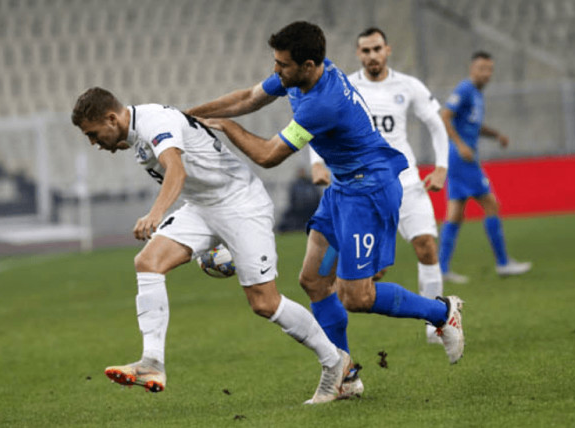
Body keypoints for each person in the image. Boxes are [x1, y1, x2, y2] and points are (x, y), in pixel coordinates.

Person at [187, 21, 465, 400]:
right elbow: (248, 97)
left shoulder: (323, 103)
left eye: (283, 65)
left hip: (370, 192)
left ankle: (442, 311)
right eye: (276, 62)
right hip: (344, 189)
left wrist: (226, 127)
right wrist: (186, 116)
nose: (276, 71)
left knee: (357, 296)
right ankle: (346, 376)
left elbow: (269, 156)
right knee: (314, 281)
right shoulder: (302, 75)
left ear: (307, 64)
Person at [71, 87, 352, 404]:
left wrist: (156, 213)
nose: (94, 143)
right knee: (148, 262)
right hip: (201, 208)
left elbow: (176, 169)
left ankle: (335, 362)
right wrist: (119, 141)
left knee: (264, 303)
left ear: (112, 117)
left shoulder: (153, 122)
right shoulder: (137, 130)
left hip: (241, 204)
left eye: (93, 135)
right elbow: (149, 145)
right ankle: (152, 362)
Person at [308, 27, 449, 344]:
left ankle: (437, 326)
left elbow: (436, 125)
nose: (372, 56)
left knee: (426, 246)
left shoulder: (408, 86)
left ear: (388, 50)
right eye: (365, 50)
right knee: (355, 275)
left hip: (406, 181)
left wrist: (442, 167)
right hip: (361, 189)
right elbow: (318, 123)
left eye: (377, 49)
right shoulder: (344, 86)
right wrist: (315, 162)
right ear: (358, 54)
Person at [439, 51, 532, 284]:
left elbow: (474, 125)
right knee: (491, 204)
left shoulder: (477, 96)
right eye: (482, 68)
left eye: (490, 69)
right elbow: (445, 115)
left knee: (455, 213)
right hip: (462, 158)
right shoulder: (465, 89)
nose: (486, 74)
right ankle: (503, 263)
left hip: (462, 157)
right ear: (472, 69)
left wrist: (496, 135)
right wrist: (460, 145)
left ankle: (440, 268)